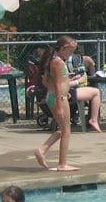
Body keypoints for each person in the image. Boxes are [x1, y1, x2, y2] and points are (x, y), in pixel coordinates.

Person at [34, 35, 85, 172]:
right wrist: (60, 97)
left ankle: (42, 150)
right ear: (63, 48)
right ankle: (62, 164)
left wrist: (64, 89)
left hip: (56, 97)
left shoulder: (53, 60)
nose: (71, 54)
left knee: (63, 130)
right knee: (66, 132)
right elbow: (57, 84)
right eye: (70, 51)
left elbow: (46, 81)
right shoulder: (58, 62)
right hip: (58, 99)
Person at [65, 47, 103, 131]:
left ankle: (93, 119)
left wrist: (72, 78)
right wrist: (78, 81)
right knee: (97, 92)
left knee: (96, 91)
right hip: (63, 93)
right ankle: (93, 120)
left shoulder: (57, 62)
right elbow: (61, 85)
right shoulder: (59, 63)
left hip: (59, 92)